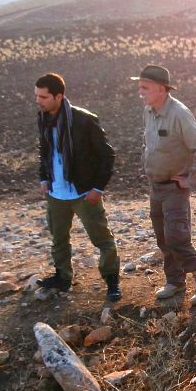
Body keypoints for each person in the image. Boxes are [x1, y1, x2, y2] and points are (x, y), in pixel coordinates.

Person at [133, 64, 196, 305]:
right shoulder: (149, 111)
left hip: (174, 188)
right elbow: (148, 144)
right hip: (156, 187)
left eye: (145, 88)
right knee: (162, 237)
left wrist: (190, 179)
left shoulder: (179, 113)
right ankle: (175, 281)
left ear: (161, 89)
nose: (140, 92)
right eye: (139, 87)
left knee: (176, 236)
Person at [34, 73, 122, 302]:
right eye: (37, 96)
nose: (39, 101)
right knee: (58, 238)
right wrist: (44, 178)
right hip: (55, 192)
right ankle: (63, 277)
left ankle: (112, 281)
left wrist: (98, 188)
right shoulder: (43, 117)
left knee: (102, 239)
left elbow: (107, 154)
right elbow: (45, 151)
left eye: (43, 97)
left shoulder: (84, 120)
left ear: (59, 96)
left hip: (83, 192)